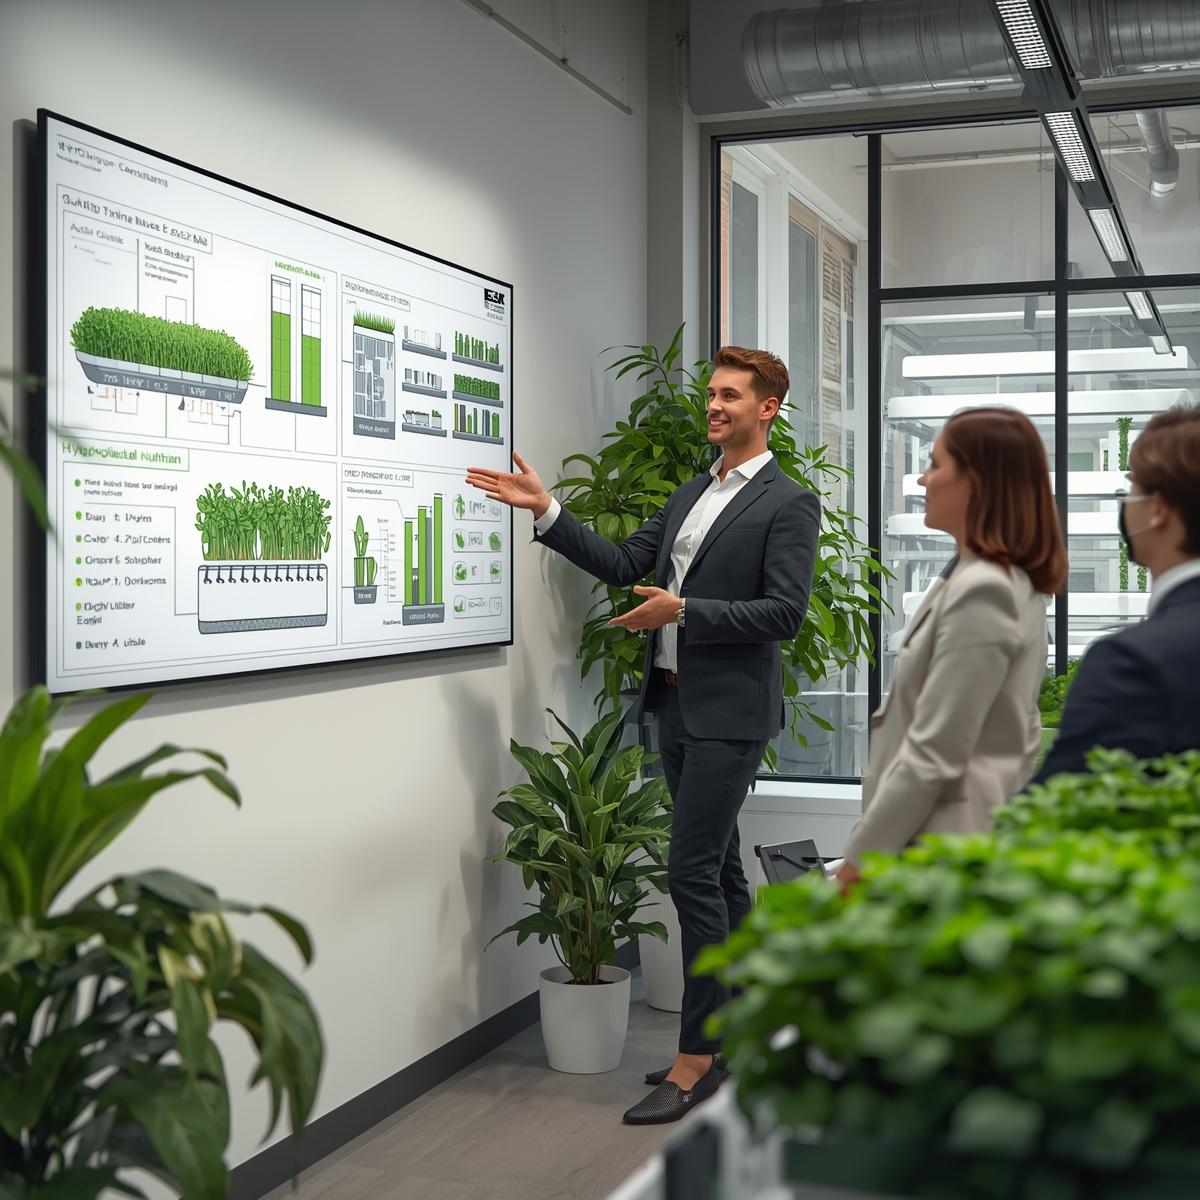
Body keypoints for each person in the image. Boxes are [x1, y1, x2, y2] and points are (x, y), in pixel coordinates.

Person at [465, 346, 819, 1125]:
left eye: (730, 396)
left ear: (768, 409)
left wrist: (685, 612)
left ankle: (696, 1060)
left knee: (691, 872)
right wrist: (548, 510)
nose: (714, 405)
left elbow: (784, 614)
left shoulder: (789, 502)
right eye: (712, 395)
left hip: (731, 716)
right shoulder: (694, 490)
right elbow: (627, 562)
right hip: (673, 705)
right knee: (723, 877)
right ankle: (742, 1034)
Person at [836, 406, 1067, 887]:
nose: (922, 479)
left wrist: (858, 863)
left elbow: (935, 750)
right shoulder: (988, 579)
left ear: (976, 482)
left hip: (942, 849)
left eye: (937, 464)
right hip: (948, 843)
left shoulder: (985, 588)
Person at [1030, 404, 1200, 783]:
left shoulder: (1132, 663)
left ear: (1158, 509)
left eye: (1131, 487)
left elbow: (1055, 808)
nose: (1125, 504)